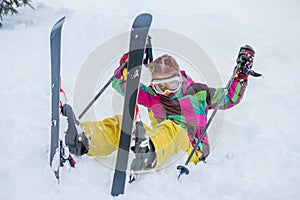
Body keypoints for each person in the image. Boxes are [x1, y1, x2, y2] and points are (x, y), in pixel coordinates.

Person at [61, 45, 255, 171]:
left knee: (173, 128)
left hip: (191, 149)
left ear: (181, 79)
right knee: (124, 123)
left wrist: (241, 76)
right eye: (160, 87)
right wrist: (128, 65)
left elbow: (230, 97)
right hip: (156, 139)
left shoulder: (199, 93)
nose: (166, 92)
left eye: (171, 85)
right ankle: (85, 138)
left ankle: (149, 153)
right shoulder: (154, 97)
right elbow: (121, 85)